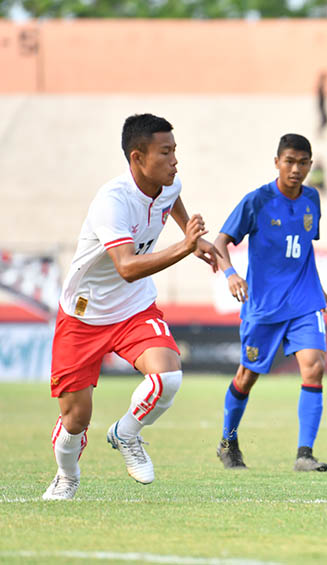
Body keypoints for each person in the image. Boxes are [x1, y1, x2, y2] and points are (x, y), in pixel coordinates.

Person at [43, 113, 220, 500]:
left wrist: (193, 236)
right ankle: (66, 477)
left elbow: (171, 203)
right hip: (84, 313)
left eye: (175, 151)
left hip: (133, 308)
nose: (176, 161)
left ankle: (126, 433)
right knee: (75, 419)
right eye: (166, 152)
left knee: (168, 377)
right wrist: (184, 246)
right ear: (138, 158)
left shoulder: (168, 184)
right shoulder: (113, 202)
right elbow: (126, 266)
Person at [213, 133, 327, 472]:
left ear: (311, 165)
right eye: (289, 161)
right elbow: (220, 242)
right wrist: (231, 274)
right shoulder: (257, 201)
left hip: (304, 301)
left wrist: (318, 288)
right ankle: (228, 440)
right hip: (263, 306)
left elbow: (303, 248)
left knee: (315, 365)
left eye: (303, 163)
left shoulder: (313, 199)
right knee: (246, 376)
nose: (296, 169)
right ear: (277, 162)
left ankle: (304, 455)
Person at [316, 72, 327, 137]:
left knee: (325, 119)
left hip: (322, 104)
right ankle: (319, 133)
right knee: (325, 119)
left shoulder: (321, 85)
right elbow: (320, 96)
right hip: (321, 105)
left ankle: (320, 132)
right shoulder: (320, 85)